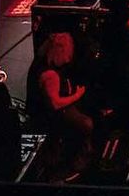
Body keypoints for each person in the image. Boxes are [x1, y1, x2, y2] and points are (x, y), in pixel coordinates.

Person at [26, 32, 94, 180]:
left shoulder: (41, 61)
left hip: (48, 111)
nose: (68, 58)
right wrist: (77, 95)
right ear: (60, 51)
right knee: (86, 124)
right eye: (67, 53)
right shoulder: (50, 75)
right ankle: (75, 165)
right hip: (49, 116)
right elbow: (55, 104)